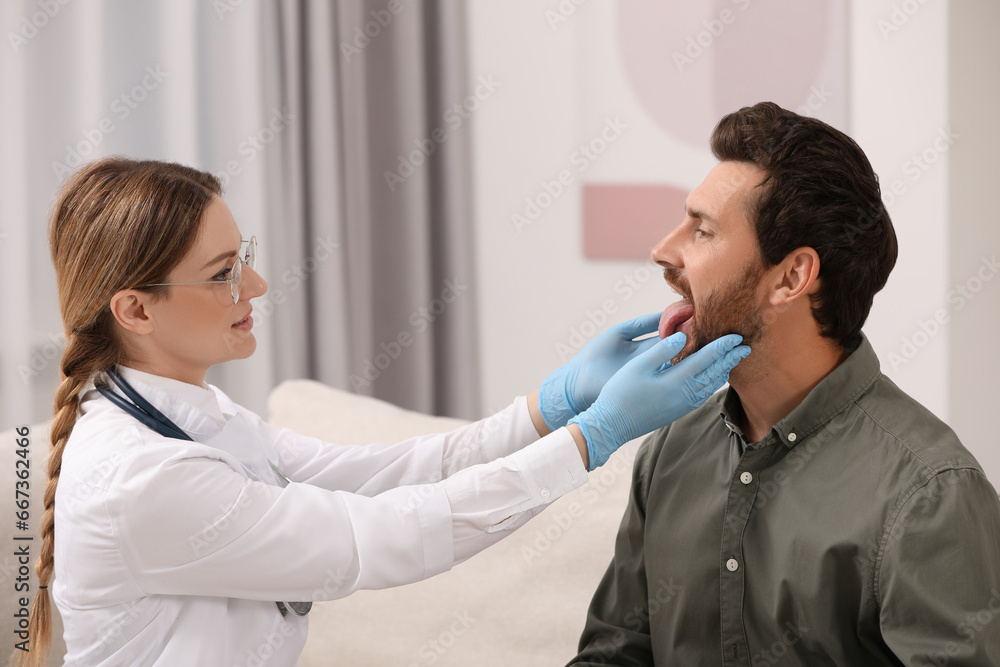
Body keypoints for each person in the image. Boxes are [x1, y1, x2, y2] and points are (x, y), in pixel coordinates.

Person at [15, 157, 750, 667]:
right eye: (223, 274)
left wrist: (555, 403)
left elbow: (382, 473)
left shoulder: (192, 414)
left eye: (246, 256)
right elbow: (393, 532)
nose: (259, 284)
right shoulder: (139, 478)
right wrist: (597, 437)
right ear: (135, 309)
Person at [568, 102, 1000, 666]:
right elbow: (615, 653)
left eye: (702, 230)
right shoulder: (669, 451)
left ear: (792, 277)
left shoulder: (930, 495)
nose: (663, 251)